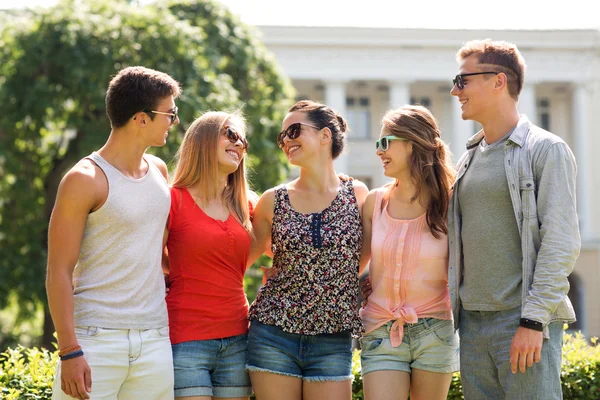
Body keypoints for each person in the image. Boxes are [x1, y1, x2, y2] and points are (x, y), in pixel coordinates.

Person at [449, 39, 580, 399]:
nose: (454, 90)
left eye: (462, 80)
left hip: (521, 320)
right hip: (472, 325)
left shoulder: (546, 149)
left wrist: (533, 320)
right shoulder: (468, 160)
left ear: (498, 81)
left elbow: (561, 241)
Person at [46, 66, 181, 400]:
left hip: (153, 338)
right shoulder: (84, 179)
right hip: (95, 340)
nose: (174, 121)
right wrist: (69, 350)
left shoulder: (160, 172)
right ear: (141, 119)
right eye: (170, 113)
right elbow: (58, 271)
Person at [246, 100, 369, 400]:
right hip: (273, 334)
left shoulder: (359, 195)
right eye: (282, 136)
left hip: (332, 339)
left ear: (325, 136)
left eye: (295, 130)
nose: (287, 140)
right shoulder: (271, 200)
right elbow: (237, 260)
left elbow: (363, 258)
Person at [358, 105, 459, 400]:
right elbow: (353, 264)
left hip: (436, 331)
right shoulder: (374, 203)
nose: (379, 151)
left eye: (385, 142)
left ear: (412, 143)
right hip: (380, 329)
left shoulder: (451, 203)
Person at [164, 111, 254, 400]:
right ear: (202, 140)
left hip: (239, 339)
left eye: (242, 140)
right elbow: (147, 261)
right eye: (230, 134)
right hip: (186, 340)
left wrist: (331, 178)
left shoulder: (247, 205)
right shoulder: (172, 199)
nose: (239, 144)